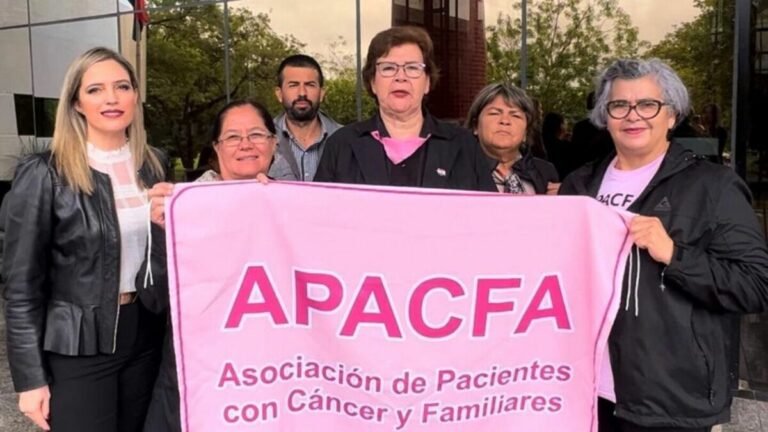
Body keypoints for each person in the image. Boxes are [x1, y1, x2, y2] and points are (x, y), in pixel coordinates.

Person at [559, 58, 768, 432]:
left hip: (669, 397)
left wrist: (674, 254)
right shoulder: (578, 186)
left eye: (648, 105)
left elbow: (754, 286)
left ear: (671, 116)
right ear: (605, 117)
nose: (633, 116)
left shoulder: (713, 187)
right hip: (584, 390)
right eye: (619, 105)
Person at [1, 47, 167, 432]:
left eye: (122, 86)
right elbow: (22, 286)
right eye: (95, 89)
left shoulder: (154, 162)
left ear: (135, 96)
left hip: (145, 334)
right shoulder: (45, 173)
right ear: (76, 102)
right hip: (78, 344)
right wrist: (29, 379)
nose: (111, 98)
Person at [142, 99, 276, 432]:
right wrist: (163, 231)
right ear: (216, 148)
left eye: (257, 134)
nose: (245, 144)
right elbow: (154, 298)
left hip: (270, 384)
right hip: (198, 384)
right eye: (232, 137)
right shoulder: (185, 206)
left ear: (274, 143)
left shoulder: (296, 208)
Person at [314, 26, 495, 191]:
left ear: (427, 83)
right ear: (372, 83)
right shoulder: (341, 145)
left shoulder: (464, 144)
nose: (401, 77)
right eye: (388, 68)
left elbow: (490, 217)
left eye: (412, 68)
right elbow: (316, 217)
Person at [465, 83, 559, 194]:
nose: (505, 121)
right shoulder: (457, 169)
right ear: (476, 125)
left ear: (526, 132)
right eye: (494, 113)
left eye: (515, 115)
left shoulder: (545, 171)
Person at [269, 54, 341, 181]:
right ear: (279, 94)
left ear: (322, 93)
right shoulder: (261, 141)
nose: (302, 93)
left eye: (310, 85)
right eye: (293, 85)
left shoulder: (345, 140)